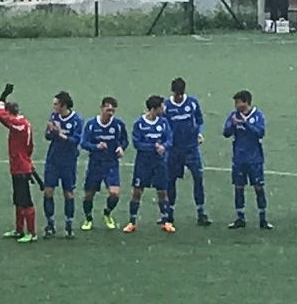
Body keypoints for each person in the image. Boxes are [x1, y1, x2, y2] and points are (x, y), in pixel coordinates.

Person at [125, 95, 176, 234]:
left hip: (159, 163)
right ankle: (132, 222)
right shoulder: (139, 124)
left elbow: (169, 140)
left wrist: (163, 147)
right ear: (154, 109)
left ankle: (165, 222)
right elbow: (137, 143)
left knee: (162, 192)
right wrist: (154, 147)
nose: (164, 109)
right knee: (137, 192)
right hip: (143, 164)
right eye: (161, 106)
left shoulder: (164, 123)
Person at [0, 84, 37, 243]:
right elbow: (30, 147)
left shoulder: (19, 124)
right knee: (18, 200)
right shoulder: (25, 124)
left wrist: (2, 96)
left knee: (25, 201)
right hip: (19, 166)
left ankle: (32, 233)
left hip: (20, 167)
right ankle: (19, 229)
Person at [162, 77, 208, 225]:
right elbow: (162, 125)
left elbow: (199, 119)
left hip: (191, 148)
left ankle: (201, 212)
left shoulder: (192, 102)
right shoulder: (166, 106)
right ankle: (169, 213)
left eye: (181, 93)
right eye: (177, 94)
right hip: (174, 150)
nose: (179, 96)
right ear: (172, 92)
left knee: (198, 177)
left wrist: (200, 132)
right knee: (171, 181)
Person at [79, 96, 127, 231]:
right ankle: (88, 218)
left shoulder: (118, 124)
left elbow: (124, 141)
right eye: (108, 109)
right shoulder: (91, 124)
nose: (110, 113)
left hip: (111, 163)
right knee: (89, 194)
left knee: (114, 193)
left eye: (113, 110)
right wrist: (96, 147)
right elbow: (84, 143)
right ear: (102, 108)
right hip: (95, 163)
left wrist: (121, 148)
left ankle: (107, 213)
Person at [223, 90, 270, 229]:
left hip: (254, 159)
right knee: (238, 188)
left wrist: (246, 123)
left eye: (238, 102)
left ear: (246, 102)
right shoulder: (233, 116)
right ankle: (240, 218)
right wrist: (232, 125)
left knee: (258, 188)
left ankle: (263, 219)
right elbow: (226, 133)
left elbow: (260, 133)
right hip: (239, 159)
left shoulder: (257, 115)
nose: (236, 105)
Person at [40, 91, 82, 239]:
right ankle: (50, 224)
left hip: (68, 162)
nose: (54, 107)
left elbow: (76, 141)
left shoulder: (76, 120)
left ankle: (68, 225)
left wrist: (59, 133)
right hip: (53, 160)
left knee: (68, 193)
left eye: (56, 104)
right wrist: (51, 131)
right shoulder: (53, 116)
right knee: (48, 191)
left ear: (63, 105)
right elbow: (47, 137)